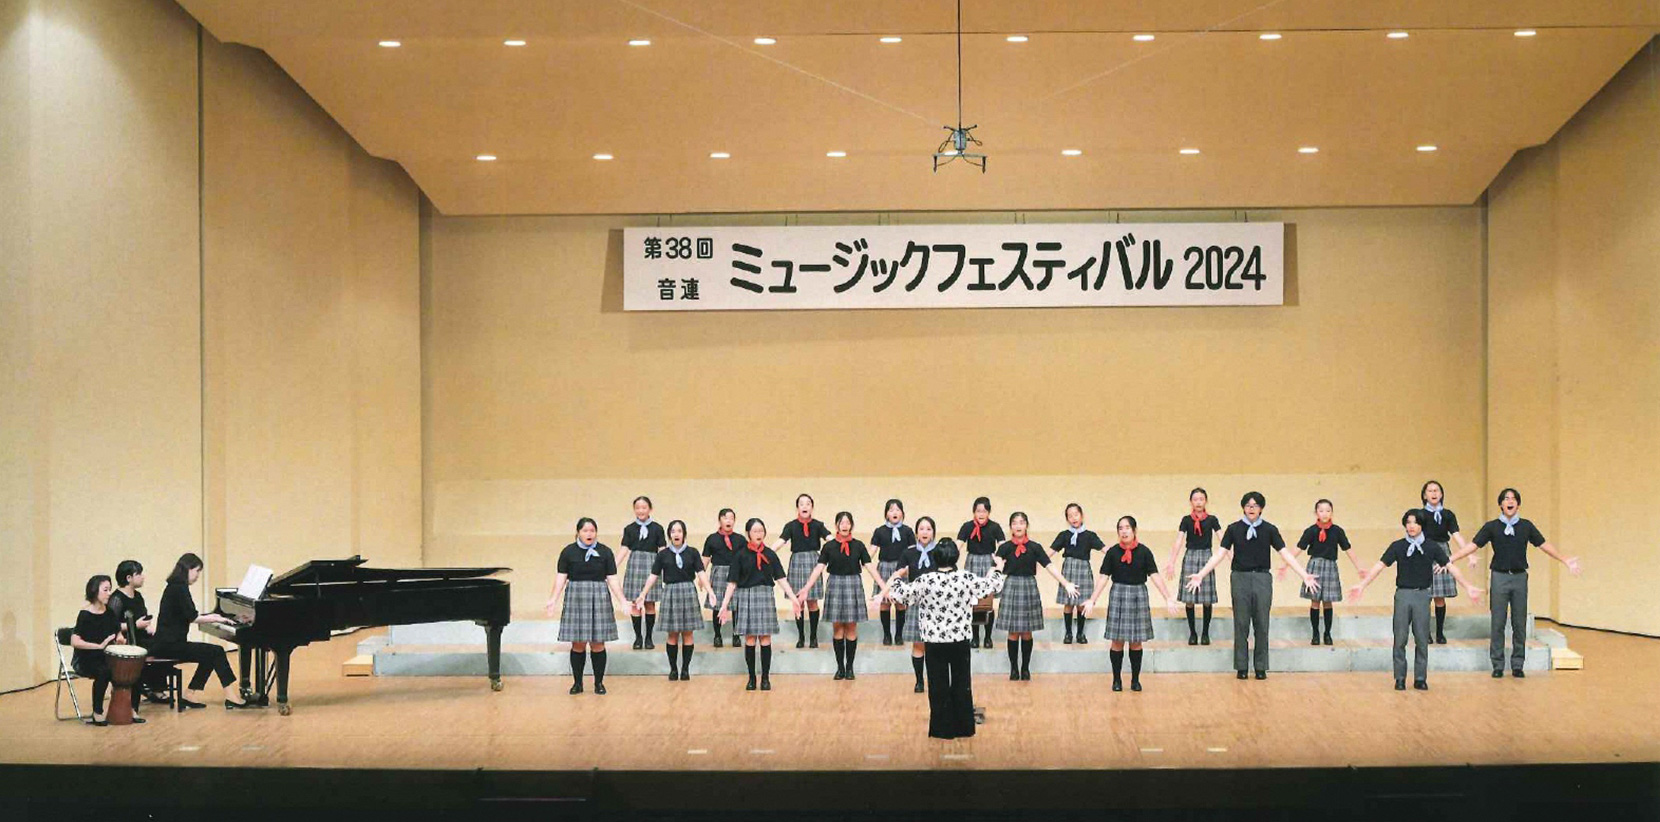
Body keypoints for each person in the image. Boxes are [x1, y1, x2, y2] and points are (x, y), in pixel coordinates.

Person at [1185, 492, 1321, 680]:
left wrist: (1304, 575)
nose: (1251, 508)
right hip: (1239, 578)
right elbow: (1220, 554)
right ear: (1243, 507)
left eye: (1255, 505)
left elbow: (1285, 553)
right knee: (1241, 623)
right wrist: (1201, 574)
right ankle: (1241, 667)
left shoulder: (1269, 529)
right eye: (1248, 505)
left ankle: (1261, 667)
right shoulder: (1233, 529)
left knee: (1262, 623)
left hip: (1262, 579)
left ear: (1261, 509)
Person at [1449, 488, 1583, 678]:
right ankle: (1497, 665)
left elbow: (1543, 545)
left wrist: (1564, 559)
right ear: (1501, 504)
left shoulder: (1526, 526)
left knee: (1519, 622)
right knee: (1497, 622)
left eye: (1513, 499)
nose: (1510, 501)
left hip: (1519, 578)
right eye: (1506, 499)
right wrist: (1452, 558)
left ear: (1518, 504)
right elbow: (1473, 545)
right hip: (1499, 577)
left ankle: (1518, 664)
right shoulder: (1492, 526)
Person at [1348, 510, 1484, 689]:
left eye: (1416, 522)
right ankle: (1400, 678)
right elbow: (1380, 566)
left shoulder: (1431, 546)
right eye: (1408, 522)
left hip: (1422, 595)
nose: (1411, 526)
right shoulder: (1398, 546)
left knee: (1421, 638)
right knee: (1400, 637)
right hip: (1403, 595)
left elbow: (1450, 567)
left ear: (1422, 526)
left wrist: (1467, 586)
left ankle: (1420, 678)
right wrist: (1362, 585)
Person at [884, 542, 1005, 739]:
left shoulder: (926, 580)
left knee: (937, 685)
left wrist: (897, 577)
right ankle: (964, 728)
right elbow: (991, 586)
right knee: (962, 683)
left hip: (934, 641)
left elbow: (901, 595)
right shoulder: (965, 578)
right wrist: (997, 568)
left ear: (936, 558)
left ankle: (941, 729)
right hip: (960, 639)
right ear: (955, 558)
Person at [1083, 516, 1178, 692]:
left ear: (1134, 530)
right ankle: (1116, 680)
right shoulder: (1112, 552)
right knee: (1116, 641)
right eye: (1120, 528)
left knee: (1136, 642)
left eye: (1127, 527)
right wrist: (1092, 599)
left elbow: (1155, 575)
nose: (1124, 531)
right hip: (1118, 594)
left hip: (1138, 595)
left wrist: (1168, 597)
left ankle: (1135, 680)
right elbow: (1104, 577)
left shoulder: (1144, 552)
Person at [795, 511, 889, 680]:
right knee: (837, 628)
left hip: (853, 585)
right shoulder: (829, 546)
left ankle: (850, 667)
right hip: (835, 585)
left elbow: (870, 567)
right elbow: (818, 568)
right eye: (841, 522)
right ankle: (840, 668)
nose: (845, 525)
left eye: (847, 522)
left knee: (851, 628)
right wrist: (806, 588)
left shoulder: (858, 545)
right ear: (836, 525)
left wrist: (884, 588)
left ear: (851, 525)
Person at [149, 553, 249, 709]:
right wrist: (217, 618)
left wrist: (216, 617)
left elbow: (188, 614)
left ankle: (190, 693)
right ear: (188, 569)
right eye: (197, 571)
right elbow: (193, 617)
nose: (197, 576)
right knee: (216, 651)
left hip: (167, 643)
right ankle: (230, 696)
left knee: (210, 654)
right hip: (169, 645)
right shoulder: (179, 588)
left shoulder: (174, 586)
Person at [546, 517, 632, 694]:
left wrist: (623, 600)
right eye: (585, 530)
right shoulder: (568, 552)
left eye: (592, 530)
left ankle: (598, 683)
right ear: (578, 532)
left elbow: (612, 579)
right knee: (578, 644)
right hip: (576, 598)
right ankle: (577, 683)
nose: (589, 534)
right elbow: (561, 577)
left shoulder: (605, 552)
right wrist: (553, 599)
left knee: (598, 644)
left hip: (599, 597)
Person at [718, 518, 804, 690]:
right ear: (748, 534)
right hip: (746, 596)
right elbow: (732, 583)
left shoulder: (770, 554)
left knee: (765, 637)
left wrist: (794, 599)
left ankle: (765, 678)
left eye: (761, 531)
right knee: (750, 638)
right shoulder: (740, 555)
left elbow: (781, 578)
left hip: (765, 596)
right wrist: (724, 605)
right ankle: (751, 678)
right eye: (755, 531)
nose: (759, 534)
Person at [995, 512, 1079, 680]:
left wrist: (1066, 583)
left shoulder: (1035, 547)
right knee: (1013, 632)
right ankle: (1014, 669)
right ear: (1010, 527)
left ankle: (1025, 668)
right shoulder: (1004, 548)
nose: (1018, 526)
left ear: (1027, 525)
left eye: (1021, 522)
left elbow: (1050, 566)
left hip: (1029, 586)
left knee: (1027, 632)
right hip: (1011, 586)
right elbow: (995, 567)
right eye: (1015, 523)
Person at [634, 520, 715, 681]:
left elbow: (701, 573)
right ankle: (673, 669)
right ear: (669, 535)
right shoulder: (663, 554)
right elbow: (653, 575)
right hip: (670, 592)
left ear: (684, 534)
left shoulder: (692, 552)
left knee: (688, 633)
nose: (676, 534)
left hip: (688, 592)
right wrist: (643, 594)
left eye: (679, 531)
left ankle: (685, 669)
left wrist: (710, 591)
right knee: (672, 634)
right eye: (673, 531)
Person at [1279, 500, 1364, 645]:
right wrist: (1286, 565)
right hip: (1315, 566)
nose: (1325, 513)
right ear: (1316, 513)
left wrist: (1359, 567)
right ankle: (1315, 634)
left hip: (1330, 566)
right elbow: (1299, 548)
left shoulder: (1337, 531)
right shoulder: (1311, 531)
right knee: (1315, 601)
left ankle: (1327, 633)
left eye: (1328, 510)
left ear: (1332, 513)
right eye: (1321, 510)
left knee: (1328, 601)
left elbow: (1348, 549)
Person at [889, 518, 950, 693]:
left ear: (934, 532)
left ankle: (934, 680)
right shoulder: (908, 553)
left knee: (935, 645)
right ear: (916, 533)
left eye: (929, 529)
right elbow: (898, 574)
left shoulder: (940, 552)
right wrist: (887, 591)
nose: (925, 532)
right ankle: (919, 681)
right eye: (921, 529)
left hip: (937, 604)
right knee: (918, 644)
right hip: (916, 603)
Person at [69, 575, 134, 726]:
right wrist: (98, 646)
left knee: (128, 668)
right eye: (105, 590)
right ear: (94, 591)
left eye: (110, 589)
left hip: (105, 657)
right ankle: (97, 712)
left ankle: (130, 710)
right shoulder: (85, 614)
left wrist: (120, 639)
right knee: (104, 671)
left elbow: (117, 633)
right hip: (86, 659)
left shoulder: (110, 613)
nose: (109, 593)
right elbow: (75, 641)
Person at [1417, 481, 1477, 644]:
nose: (1433, 493)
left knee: (1439, 596)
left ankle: (1439, 632)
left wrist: (1470, 555)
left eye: (1436, 490)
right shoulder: (1419, 515)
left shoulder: (1448, 515)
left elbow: (1456, 535)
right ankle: (1425, 632)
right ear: (1424, 495)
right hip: (1424, 551)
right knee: (1424, 596)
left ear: (1441, 494)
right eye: (1430, 491)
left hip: (1442, 552)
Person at [773, 493, 829, 648]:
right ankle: (801, 637)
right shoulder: (791, 526)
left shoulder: (818, 525)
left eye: (808, 504)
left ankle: (813, 636)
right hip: (797, 562)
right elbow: (780, 541)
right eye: (801, 504)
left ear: (812, 507)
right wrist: (766, 553)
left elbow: (830, 539)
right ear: (797, 507)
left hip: (813, 562)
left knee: (813, 602)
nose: (805, 506)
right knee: (798, 601)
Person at [1166, 488, 1221, 645]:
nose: (1198, 502)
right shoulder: (1186, 520)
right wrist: (1171, 562)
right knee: (1189, 599)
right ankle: (1192, 633)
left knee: (1207, 599)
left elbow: (1223, 539)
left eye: (1201, 499)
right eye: (1195, 499)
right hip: (1190, 556)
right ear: (1191, 502)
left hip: (1207, 558)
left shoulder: (1212, 519)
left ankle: (1205, 633)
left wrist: (1232, 558)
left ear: (1206, 501)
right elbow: (1179, 541)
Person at [1048, 503, 1105, 644]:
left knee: (1081, 603)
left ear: (1082, 515)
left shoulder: (1090, 535)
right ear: (1067, 519)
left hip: (1083, 570)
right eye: (1070, 516)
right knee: (1068, 604)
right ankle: (1068, 633)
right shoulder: (1064, 535)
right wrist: (1037, 560)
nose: (1074, 518)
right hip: (1068, 570)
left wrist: (1119, 555)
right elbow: (1049, 552)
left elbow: (1105, 549)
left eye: (1076, 514)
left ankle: (1080, 633)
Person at [619, 496, 666, 650]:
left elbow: (662, 550)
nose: (641, 510)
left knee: (650, 603)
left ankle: (649, 637)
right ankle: (638, 637)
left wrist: (666, 566)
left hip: (652, 565)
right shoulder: (629, 529)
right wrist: (612, 566)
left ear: (650, 509)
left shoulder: (657, 528)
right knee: (635, 604)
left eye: (644, 507)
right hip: (635, 565)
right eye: (638, 508)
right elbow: (624, 549)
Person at [956, 496, 1004, 648]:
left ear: (989, 512)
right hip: (972, 562)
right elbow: (957, 546)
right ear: (974, 512)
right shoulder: (967, 526)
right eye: (978, 511)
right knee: (972, 601)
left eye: (984, 511)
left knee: (988, 602)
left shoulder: (995, 527)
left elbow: (1003, 547)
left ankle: (988, 637)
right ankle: (975, 637)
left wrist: (998, 564)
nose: (981, 514)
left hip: (989, 563)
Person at [871, 499, 917, 646]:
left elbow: (913, 551)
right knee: (885, 603)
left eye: (897, 510)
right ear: (886, 514)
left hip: (902, 569)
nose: (894, 513)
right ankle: (886, 635)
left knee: (900, 603)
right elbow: (871, 551)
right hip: (884, 568)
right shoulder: (879, 531)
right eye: (891, 510)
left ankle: (899, 635)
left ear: (902, 513)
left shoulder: (908, 531)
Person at [700, 508, 741, 648]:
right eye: (725, 518)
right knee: (717, 606)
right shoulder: (712, 539)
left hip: (736, 573)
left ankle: (736, 635)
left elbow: (746, 558)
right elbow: (705, 559)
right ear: (719, 520)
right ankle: (717, 635)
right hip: (718, 573)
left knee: (737, 606)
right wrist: (701, 578)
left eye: (731, 518)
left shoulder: (740, 539)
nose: (728, 521)